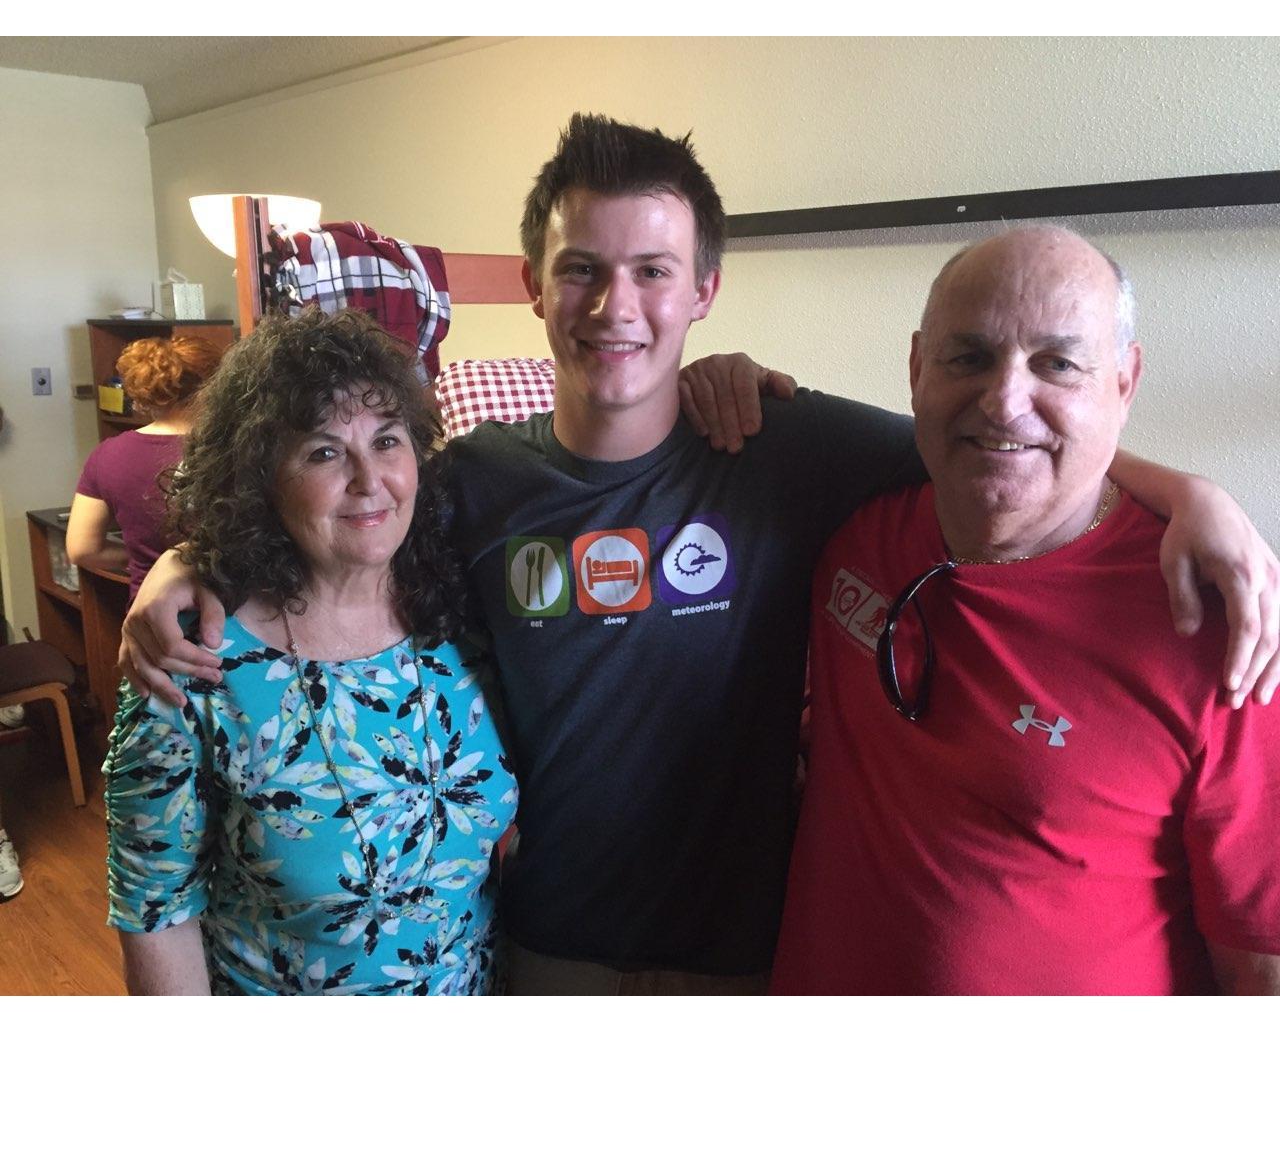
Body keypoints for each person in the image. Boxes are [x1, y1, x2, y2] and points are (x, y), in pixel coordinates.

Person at [120, 115, 1279, 994]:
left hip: (749, 960)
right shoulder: (466, 482)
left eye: (653, 270)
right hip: (536, 950)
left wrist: (1192, 493)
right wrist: (184, 565)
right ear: (533, 285)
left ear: (704, 290)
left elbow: (996, 445)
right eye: (580, 267)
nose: (612, 303)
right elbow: (324, 513)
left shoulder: (787, 448)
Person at [770, 227, 1280, 994]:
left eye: (1058, 363)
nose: (1005, 401)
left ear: (1124, 382)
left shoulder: (1223, 629)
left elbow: (1259, 958)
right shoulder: (851, 523)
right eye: (968, 357)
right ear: (916, 369)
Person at [103, 309, 517, 994]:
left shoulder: (462, 619)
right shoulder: (193, 661)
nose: (368, 479)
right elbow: (155, 911)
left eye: (387, 440)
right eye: (324, 452)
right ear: (261, 478)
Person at [67, 335, 223, 598]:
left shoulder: (108, 454)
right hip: (233, 613)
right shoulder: (236, 448)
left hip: (152, 608)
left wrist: (146, 559)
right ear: (212, 387)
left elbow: (82, 549)